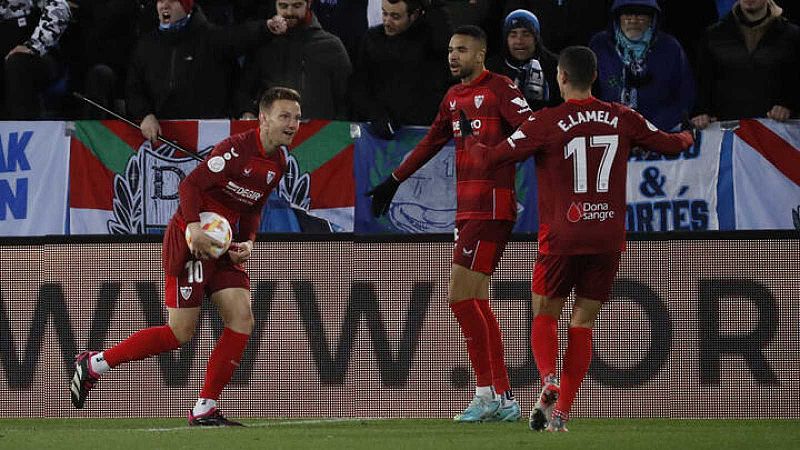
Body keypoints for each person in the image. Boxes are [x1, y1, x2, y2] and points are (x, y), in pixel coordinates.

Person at [471, 46, 694, 431]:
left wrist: (473, 143)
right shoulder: (622, 116)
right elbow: (671, 143)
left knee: (545, 314)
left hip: (563, 235)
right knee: (583, 322)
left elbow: (495, 158)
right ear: (594, 77)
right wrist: (690, 135)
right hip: (607, 235)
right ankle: (561, 415)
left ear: (560, 77)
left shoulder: (546, 121)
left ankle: (548, 379)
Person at [70, 87, 302, 427]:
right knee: (179, 333)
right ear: (264, 118)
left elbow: (254, 207)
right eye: (285, 116)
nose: (293, 124)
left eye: (297, 117)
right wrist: (193, 228)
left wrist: (249, 241)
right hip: (191, 242)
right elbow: (189, 186)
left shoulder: (278, 162)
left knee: (242, 319)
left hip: (223, 247)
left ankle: (205, 407)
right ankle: (94, 364)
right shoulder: (235, 150)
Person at [367, 25, 532, 423]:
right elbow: (429, 143)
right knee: (475, 301)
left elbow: (531, 129)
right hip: (468, 209)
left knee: (459, 297)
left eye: (462, 50)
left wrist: (497, 155)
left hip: (491, 207)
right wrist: (394, 181)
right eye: (450, 49)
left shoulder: (500, 88)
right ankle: (502, 396)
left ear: (481, 54)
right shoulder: (453, 96)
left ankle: (486, 393)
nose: (453, 56)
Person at [127, 0, 287, 143]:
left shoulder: (210, 38)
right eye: (160, 1)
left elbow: (240, 36)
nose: (164, 5)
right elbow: (134, 87)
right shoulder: (146, 45)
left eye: (173, 1)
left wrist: (267, 28)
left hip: (210, 136)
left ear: (186, 6)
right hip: (162, 138)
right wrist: (145, 115)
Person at [349, 0, 452, 138]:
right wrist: (375, 114)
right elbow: (359, 85)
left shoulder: (430, 41)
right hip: (380, 133)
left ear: (414, 15)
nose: (387, 21)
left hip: (422, 132)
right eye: (384, 13)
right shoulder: (372, 39)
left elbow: (446, 41)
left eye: (395, 16)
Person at [235, 0, 352, 121]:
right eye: (283, 6)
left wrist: (338, 129)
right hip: (272, 129)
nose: (289, 12)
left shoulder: (331, 46)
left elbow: (346, 99)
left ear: (309, 4)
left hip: (321, 131)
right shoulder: (263, 45)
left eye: (297, 5)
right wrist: (247, 112)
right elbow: (244, 91)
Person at [691, 0, 800, 128]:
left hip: (778, 132)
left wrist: (789, 106)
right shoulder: (713, 36)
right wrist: (701, 113)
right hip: (728, 134)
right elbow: (702, 86)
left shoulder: (792, 36)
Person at [590, 0, 695, 131]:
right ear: (617, 17)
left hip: (660, 131)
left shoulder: (670, 47)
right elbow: (587, 91)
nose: (633, 20)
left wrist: (651, 129)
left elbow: (685, 95)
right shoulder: (600, 45)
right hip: (609, 130)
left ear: (652, 19)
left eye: (641, 15)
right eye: (627, 14)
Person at [0, 0, 70, 119]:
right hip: (6, 53)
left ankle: (23, 126)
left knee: (17, 63)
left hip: (39, 55)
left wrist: (33, 46)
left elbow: (60, 8)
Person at [487, 9, 559, 112]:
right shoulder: (492, 68)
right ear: (506, 39)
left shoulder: (555, 66)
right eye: (513, 35)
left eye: (526, 34)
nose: (519, 41)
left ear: (536, 38)